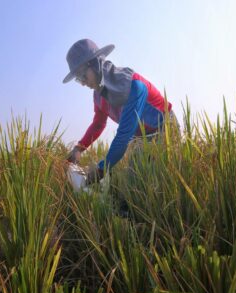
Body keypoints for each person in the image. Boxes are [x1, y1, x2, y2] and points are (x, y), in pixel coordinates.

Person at [63, 39, 177, 185]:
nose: (83, 83)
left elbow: (124, 135)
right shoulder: (99, 95)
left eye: (83, 76)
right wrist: (79, 147)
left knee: (158, 179)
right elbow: (98, 124)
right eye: (79, 80)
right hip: (140, 137)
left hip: (164, 129)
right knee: (131, 181)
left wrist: (100, 170)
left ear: (96, 65)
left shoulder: (134, 86)